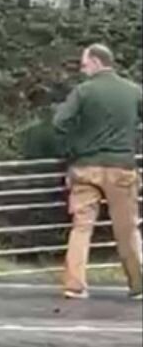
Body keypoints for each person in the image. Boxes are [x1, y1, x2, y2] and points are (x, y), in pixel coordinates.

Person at [52, 43, 143, 301]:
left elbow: (59, 122)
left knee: (81, 227)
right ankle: (138, 284)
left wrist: (73, 147)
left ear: (95, 62)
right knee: (127, 229)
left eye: (84, 65)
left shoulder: (83, 91)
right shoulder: (133, 91)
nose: (83, 70)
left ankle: (75, 285)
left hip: (85, 168)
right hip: (121, 167)